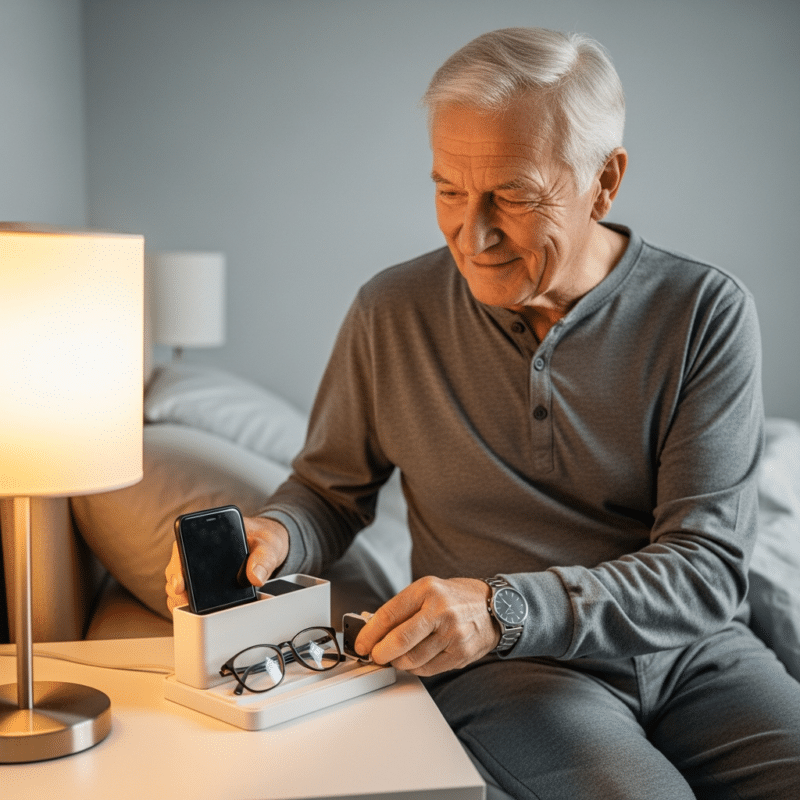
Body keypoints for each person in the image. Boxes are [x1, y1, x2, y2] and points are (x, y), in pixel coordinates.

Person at [166, 27, 800, 799]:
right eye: (448, 191)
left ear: (605, 181)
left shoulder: (704, 311)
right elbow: (330, 491)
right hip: (508, 672)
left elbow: (707, 574)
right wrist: (277, 531)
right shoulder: (390, 311)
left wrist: (504, 606)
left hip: (698, 655)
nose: (474, 233)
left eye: (515, 196)